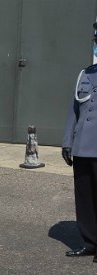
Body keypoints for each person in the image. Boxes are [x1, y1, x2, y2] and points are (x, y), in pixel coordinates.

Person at [61, 22, 97, 261]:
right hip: (84, 145)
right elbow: (74, 110)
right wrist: (67, 141)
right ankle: (90, 242)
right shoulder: (85, 74)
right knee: (84, 196)